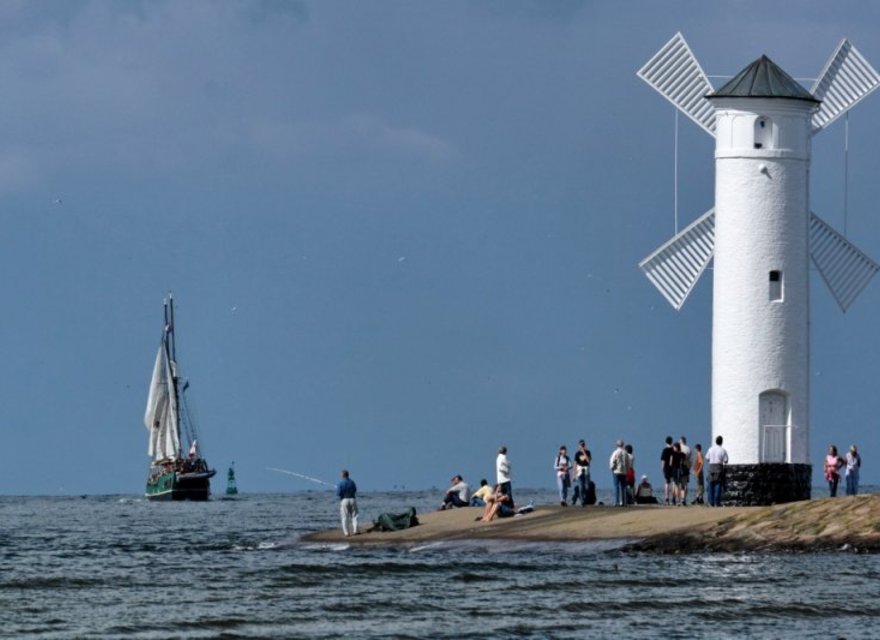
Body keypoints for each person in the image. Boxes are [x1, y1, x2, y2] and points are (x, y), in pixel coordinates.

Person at [705, 436, 728, 507]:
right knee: (718, 484)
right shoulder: (723, 450)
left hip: (711, 467)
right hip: (718, 467)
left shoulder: (710, 449)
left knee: (711, 484)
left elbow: (707, 458)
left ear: (715, 441)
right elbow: (726, 460)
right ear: (722, 442)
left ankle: (710, 502)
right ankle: (717, 502)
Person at [336, 469, 359, 536]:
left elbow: (338, 493)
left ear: (342, 475)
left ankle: (346, 533)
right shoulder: (352, 482)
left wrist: (338, 489)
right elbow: (355, 490)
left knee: (344, 517)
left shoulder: (340, 483)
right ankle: (355, 530)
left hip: (344, 500)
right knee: (354, 516)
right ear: (348, 475)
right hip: (352, 499)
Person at [609, 439, 630, 507]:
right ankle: (624, 502)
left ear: (616, 445)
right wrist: (627, 470)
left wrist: (612, 468)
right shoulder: (625, 453)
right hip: (624, 472)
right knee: (623, 487)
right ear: (623, 445)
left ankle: (617, 502)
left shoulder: (615, 452)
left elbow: (612, 461)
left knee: (616, 487)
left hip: (616, 471)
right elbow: (628, 463)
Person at [573, 440, 591, 506]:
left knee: (587, 486)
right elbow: (575, 463)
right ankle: (582, 501)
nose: (582, 446)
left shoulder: (588, 452)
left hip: (586, 469)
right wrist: (574, 474)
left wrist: (584, 452)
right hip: (579, 470)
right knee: (581, 486)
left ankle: (585, 498)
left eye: (583, 445)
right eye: (581, 445)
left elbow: (588, 461)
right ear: (579, 446)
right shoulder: (577, 454)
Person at [660, 436, 676, 505]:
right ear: (671, 442)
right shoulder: (673, 450)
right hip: (673, 467)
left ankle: (667, 498)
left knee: (667, 482)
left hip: (666, 468)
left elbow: (663, 460)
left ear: (666, 442)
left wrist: (662, 468)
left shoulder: (665, 450)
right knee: (674, 483)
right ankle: (673, 498)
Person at [679, 436, 692, 506]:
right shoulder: (688, 449)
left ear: (680, 441)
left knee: (676, 484)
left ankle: (677, 499)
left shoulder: (678, 447)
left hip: (679, 468)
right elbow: (690, 459)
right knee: (684, 484)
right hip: (686, 468)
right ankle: (683, 498)